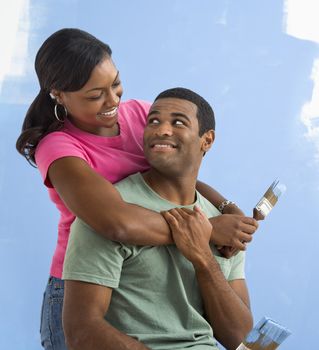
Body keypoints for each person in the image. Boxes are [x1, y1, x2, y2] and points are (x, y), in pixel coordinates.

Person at [15, 28, 258, 350]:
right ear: (59, 94)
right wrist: (206, 231)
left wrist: (225, 206)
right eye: (94, 95)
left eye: (115, 84)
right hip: (85, 277)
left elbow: (179, 170)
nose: (113, 101)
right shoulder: (58, 148)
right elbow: (115, 222)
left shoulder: (142, 114)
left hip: (151, 263)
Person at [62, 87, 254, 350]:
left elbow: (240, 340)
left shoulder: (223, 225)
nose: (162, 130)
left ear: (206, 140)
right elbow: (82, 332)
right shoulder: (108, 213)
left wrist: (204, 259)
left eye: (178, 122)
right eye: (153, 121)